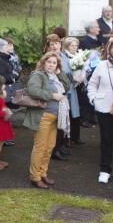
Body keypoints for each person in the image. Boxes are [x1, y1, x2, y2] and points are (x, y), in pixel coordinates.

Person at [23, 52, 70, 189]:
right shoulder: (38, 75)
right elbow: (32, 90)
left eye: (54, 63)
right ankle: (35, 177)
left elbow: (67, 87)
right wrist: (52, 95)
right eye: (49, 62)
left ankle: (42, 173)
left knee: (49, 147)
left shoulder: (55, 76)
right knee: (40, 147)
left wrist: (60, 73)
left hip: (55, 118)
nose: (51, 65)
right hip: (43, 116)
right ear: (43, 63)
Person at [87, 36, 113, 184]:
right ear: (109, 49)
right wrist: (94, 99)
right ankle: (105, 170)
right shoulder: (101, 65)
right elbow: (91, 85)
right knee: (106, 140)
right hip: (103, 107)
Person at [60, 37, 84, 146]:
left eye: (76, 46)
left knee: (77, 112)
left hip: (78, 86)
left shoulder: (78, 56)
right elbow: (65, 71)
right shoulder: (63, 56)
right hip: (69, 87)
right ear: (66, 46)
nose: (74, 48)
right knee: (69, 112)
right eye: (72, 45)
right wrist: (74, 77)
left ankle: (75, 137)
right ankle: (67, 138)